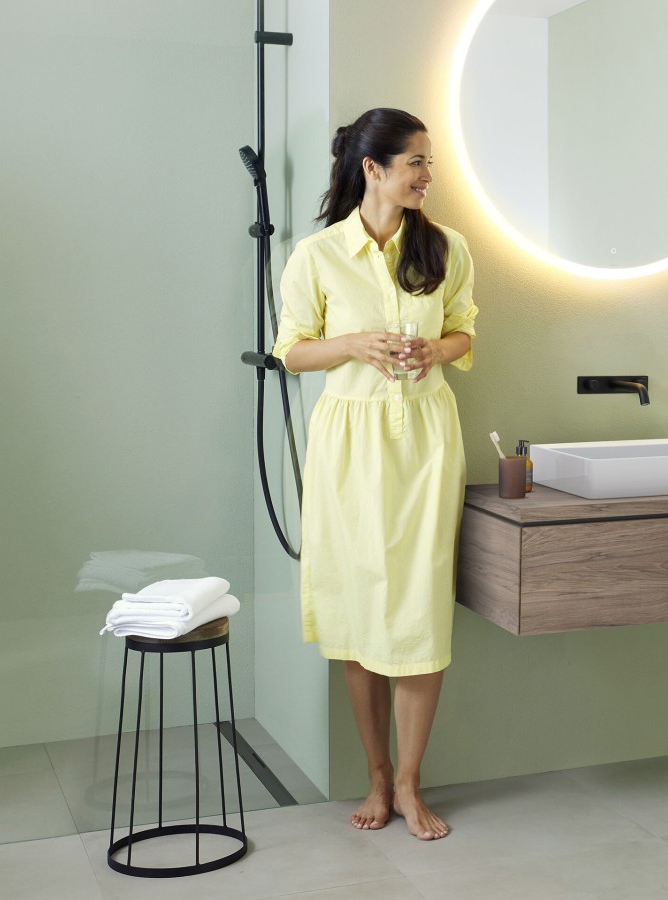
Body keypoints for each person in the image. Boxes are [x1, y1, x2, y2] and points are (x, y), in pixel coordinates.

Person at [272, 108, 477, 840]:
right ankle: (378, 777)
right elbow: (291, 352)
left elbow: (465, 329)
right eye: (416, 161)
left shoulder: (447, 247)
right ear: (374, 169)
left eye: (429, 162)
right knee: (361, 612)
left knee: (419, 607)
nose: (428, 174)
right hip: (349, 446)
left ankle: (415, 779)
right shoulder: (317, 255)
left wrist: (436, 354)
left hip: (425, 439)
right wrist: (354, 343)